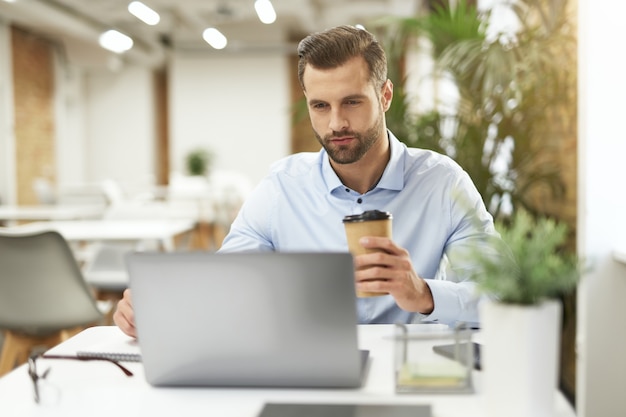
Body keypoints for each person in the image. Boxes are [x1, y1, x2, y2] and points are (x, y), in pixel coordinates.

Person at [114, 25, 502, 338]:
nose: (336, 124)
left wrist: (424, 294)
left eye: (352, 102)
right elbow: (228, 285)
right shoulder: (281, 187)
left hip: (405, 369)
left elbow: (503, 296)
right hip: (304, 367)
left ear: (384, 96)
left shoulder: (442, 183)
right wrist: (161, 308)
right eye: (320, 106)